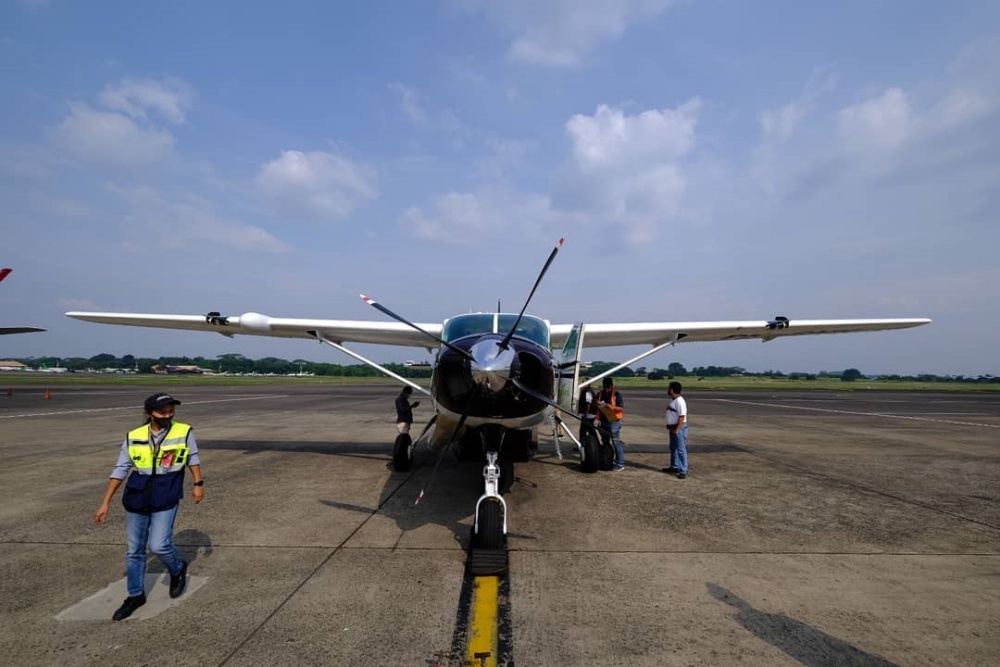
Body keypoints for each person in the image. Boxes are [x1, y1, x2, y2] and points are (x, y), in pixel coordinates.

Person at [94, 393, 204, 621]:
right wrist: (105, 502)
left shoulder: (183, 431)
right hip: (138, 494)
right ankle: (135, 595)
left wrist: (197, 484)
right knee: (134, 550)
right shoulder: (134, 436)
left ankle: (177, 568)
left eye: (171, 410)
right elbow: (121, 469)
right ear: (149, 413)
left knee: (159, 544)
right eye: (162, 411)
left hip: (166, 492)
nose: (168, 415)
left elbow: (192, 458)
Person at [596, 377, 625, 471]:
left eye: (608, 387)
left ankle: (620, 464)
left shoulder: (616, 394)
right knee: (605, 442)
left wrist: (611, 407)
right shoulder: (600, 394)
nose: (606, 389)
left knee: (616, 442)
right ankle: (607, 460)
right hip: (603, 421)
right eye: (605, 387)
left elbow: (620, 408)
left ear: (612, 386)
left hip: (614, 421)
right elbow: (595, 403)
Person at [662, 381, 688, 479]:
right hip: (673, 427)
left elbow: (682, 417)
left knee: (681, 449)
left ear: (672, 390)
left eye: (669, 388)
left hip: (678, 428)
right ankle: (674, 466)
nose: (668, 390)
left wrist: (677, 429)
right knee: (673, 448)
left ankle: (683, 470)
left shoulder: (679, 401)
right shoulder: (674, 400)